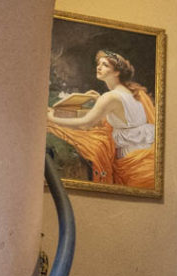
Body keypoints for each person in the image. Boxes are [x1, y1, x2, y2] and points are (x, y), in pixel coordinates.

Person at [47, 50, 156, 189]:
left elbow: (86, 123)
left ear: (117, 72)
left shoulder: (110, 97)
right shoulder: (132, 91)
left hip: (133, 160)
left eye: (104, 65)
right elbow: (122, 116)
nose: (98, 67)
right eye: (98, 64)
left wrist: (52, 118)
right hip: (143, 153)